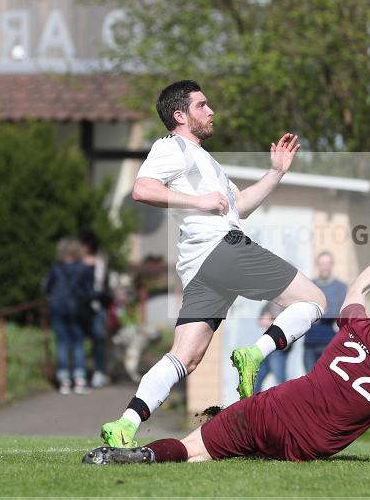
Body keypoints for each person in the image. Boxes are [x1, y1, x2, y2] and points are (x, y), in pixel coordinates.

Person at [83, 224, 370, 464]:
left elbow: (358, 286)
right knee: (231, 448)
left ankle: (138, 456)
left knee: (196, 450)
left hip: (270, 409)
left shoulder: (355, 325)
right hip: (308, 447)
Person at [99, 80, 327, 448]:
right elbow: (143, 189)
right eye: (202, 105)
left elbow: (242, 206)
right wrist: (200, 202)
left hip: (203, 267)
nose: (210, 111)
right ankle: (256, 354)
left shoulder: (206, 161)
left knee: (185, 357)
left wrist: (276, 172)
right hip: (223, 249)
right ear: (180, 115)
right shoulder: (174, 148)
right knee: (314, 300)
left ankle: (124, 424)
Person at [44, 237, 93, 395]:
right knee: (78, 343)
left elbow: (47, 287)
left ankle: (64, 380)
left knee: (62, 343)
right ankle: (79, 379)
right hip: (77, 310)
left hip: (58, 309)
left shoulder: (55, 269)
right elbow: (88, 291)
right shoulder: (83, 269)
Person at [303, 251, 347, 371]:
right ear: (317, 265)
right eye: (322, 264)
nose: (325, 267)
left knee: (327, 382)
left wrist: (316, 313)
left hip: (329, 343)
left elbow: (338, 312)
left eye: (327, 264)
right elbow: (303, 309)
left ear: (332, 265)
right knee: (310, 382)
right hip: (310, 343)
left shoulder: (341, 287)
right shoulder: (309, 285)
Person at [80, 230, 111, 388]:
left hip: (97, 305)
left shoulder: (100, 260)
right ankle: (81, 372)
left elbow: (102, 283)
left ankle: (99, 371)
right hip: (81, 306)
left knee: (98, 339)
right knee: (80, 340)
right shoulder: (78, 261)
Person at [253, 302, 287, 393]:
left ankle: (283, 405)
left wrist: (271, 322)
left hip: (278, 349)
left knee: (280, 380)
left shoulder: (286, 304)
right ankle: (253, 405)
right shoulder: (269, 303)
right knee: (256, 380)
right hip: (266, 347)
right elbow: (261, 320)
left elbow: (284, 325)